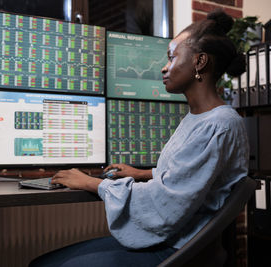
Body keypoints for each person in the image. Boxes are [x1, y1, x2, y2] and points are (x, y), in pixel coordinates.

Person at [29, 9, 249, 267]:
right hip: (178, 239)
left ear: (199, 62)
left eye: (172, 57)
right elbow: (192, 178)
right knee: (43, 262)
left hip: (178, 248)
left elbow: (167, 203)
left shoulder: (220, 125)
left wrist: (93, 184)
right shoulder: (200, 119)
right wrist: (143, 173)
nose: (165, 68)